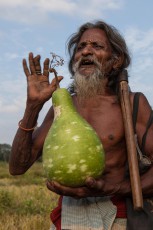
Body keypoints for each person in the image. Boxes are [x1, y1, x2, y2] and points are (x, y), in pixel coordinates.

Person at [9, 20, 153, 230]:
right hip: (68, 218)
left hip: (118, 220)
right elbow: (17, 167)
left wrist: (117, 188)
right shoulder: (62, 107)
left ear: (116, 60)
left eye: (97, 46)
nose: (86, 51)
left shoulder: (132, 103)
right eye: (80, 47)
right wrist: (33, 106)